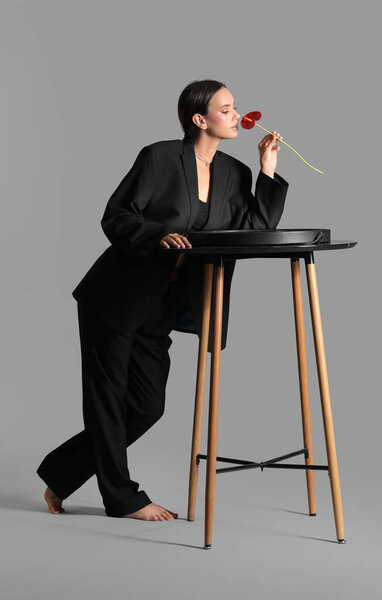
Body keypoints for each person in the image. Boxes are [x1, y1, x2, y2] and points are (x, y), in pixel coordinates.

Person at [36, 79, 289, 522]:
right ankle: (123, 498)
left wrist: (266, 167)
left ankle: (60, 473)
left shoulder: (236, 172)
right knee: (107, 401)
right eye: (225, 109)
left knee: (147, 406)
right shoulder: (158, 157)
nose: (235, 115)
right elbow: (116, 215)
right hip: (116, 295)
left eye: (234, 108)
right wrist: (158, 235)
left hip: (165, 303)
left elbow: (257, 229)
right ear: (199, 119)